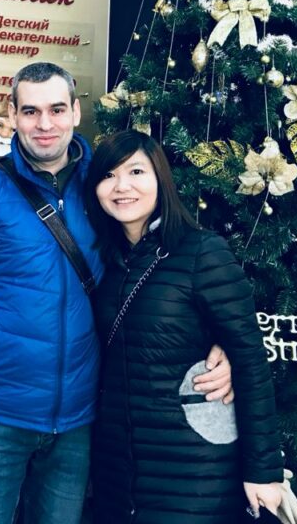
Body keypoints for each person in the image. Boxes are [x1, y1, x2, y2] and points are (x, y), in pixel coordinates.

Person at [0, 63, 232, 524]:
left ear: (75, 111)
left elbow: (159, 269)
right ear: (13, 113)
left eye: (56, 109)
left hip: (79, 420)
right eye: (31, 111)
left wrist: (218, 340)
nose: (44, 124)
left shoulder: (106, 186)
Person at [84, 130, 285, 523]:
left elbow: (250, 361)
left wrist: (263, 472)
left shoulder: (202, 252)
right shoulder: (107, 262)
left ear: (161, 179)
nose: (121, 186)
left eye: (136, 172)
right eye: (108, 175)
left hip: (194, 469)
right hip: (118, 472)